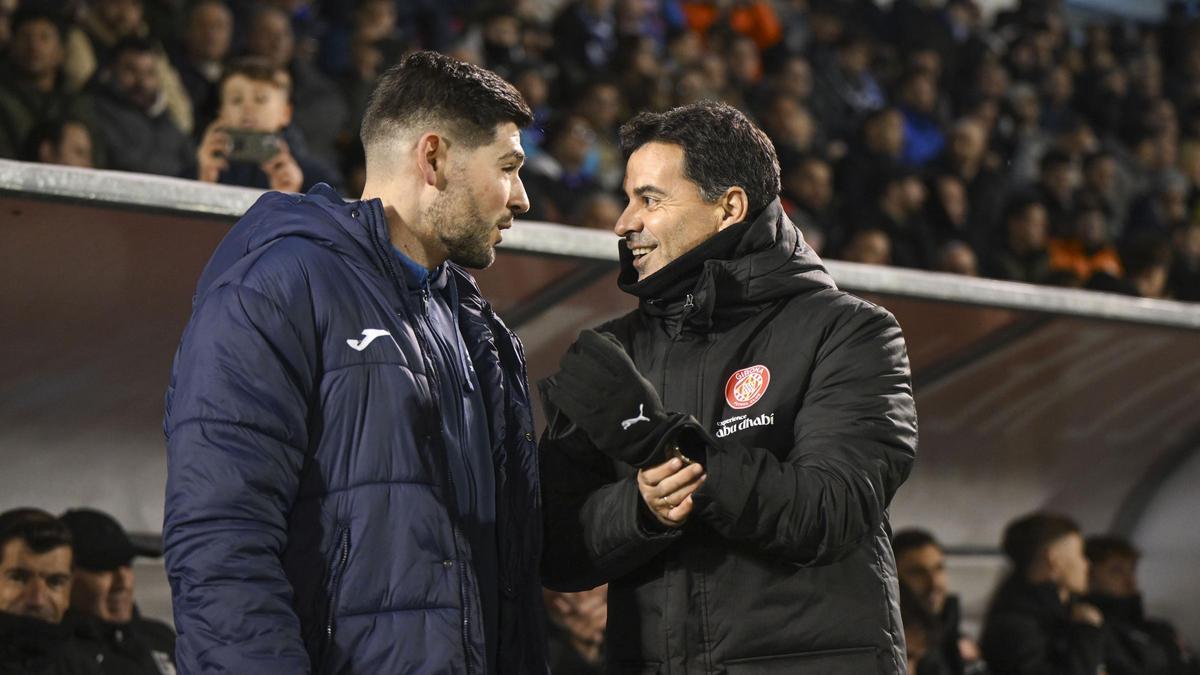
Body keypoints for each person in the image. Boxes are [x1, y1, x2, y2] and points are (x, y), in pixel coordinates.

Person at [163, 51, 545, 674]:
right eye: (507, 168)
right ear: (433, 158)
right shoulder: (278, 288)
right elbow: (221, 541)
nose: (522, 198)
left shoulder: (475, 326)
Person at [539, 100, 918, 673]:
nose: (624, 222)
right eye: (626, 198)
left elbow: (831, 510)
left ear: (729, 208)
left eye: (649, 199)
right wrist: (641, 508)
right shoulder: (614, 353)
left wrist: (671, 452)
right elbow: (555, 549)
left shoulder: (849, 331)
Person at [981, 512, 1106, 675]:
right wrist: (1088, 633)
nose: (1087, 564)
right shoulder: (1015, 627)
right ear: (1054, 559)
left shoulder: (1068, 612)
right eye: (1080, 554)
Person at [196, 57, 339, 193]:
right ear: (221, 113)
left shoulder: (319, 181)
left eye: (260, 99)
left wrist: (292, 199)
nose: (247, 108)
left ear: (286, 113)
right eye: (236, 100)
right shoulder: (201, 167)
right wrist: (204, 182)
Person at [59, 509, 176, 675]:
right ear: (63, 576)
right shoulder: (49, 655)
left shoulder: (161, 638)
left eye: (127, 564)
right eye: (104, 567)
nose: (123, 582)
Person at [0, 508, 101, 675]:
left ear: (69, 590)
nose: (37, 600)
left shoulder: (84, 667)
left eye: (55, 582)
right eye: (18, 578)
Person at [1084, 535, 1200, 675]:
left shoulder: (1161, 629)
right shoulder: (1091, 631)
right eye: (1116, 571)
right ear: (1088, 576)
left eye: (1132, 570)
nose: (1130, 580)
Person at [90, 36, 194, 177]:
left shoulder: (163, 117)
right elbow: (128, 164)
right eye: (131, 71)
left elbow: (192, 163)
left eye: (149, 73)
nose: (142, 82)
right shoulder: (98, 111)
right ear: (110, 71)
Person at [893, 529, 986, 675]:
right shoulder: (893, 647)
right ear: (893, 577)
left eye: (938, 568)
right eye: (918, 572)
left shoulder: (955, 637)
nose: (934, 582)